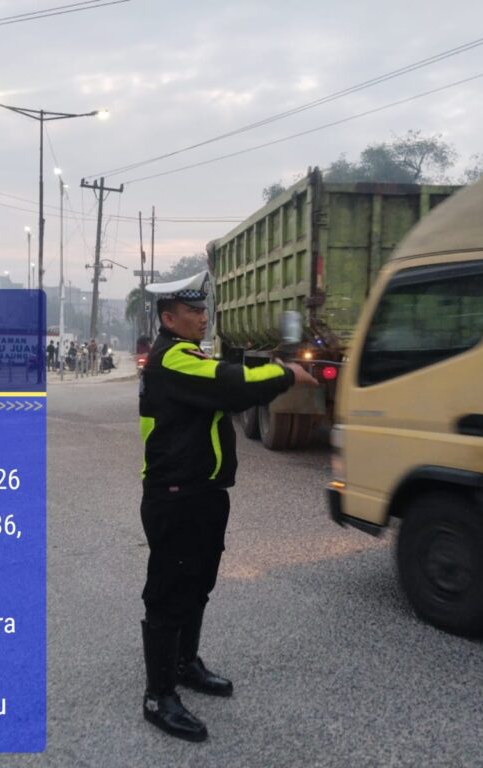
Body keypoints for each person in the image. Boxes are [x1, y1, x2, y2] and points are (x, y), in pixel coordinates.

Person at [137, 271, 317, 742]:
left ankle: (184, 664)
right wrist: (285, 374)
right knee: (169, 593)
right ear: (168, 318)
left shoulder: (190, 355)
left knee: (198, 584)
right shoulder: (172, 360)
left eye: (203, 310)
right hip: (175, 495)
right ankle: (159, 695)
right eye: (192, 311)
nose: (203, 318)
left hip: (203, 492)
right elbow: (232, 385)